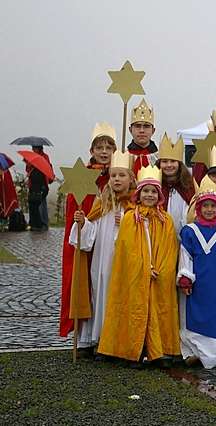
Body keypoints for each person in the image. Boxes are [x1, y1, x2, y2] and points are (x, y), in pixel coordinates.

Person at [98, 165, 180, 367]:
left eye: (154, 192)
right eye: (146, 191)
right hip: (138, 273)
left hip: (158, 273)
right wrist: (144, 269)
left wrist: (159, 269)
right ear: (139, 193)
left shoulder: (165, 219)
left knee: (157, 309)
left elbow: (170, 249)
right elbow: (127, 250)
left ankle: (159, 350)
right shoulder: (130, 218)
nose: (150, 195)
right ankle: (133, 350)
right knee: (135, 309)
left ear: (159, 195)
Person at [68, 149, 135, 354]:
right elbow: (90, 237)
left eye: (121, 175)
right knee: (100, 293)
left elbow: (142, 234)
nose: (116, 179)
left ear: (131, 179)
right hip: (101, 260)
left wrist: (125, 221)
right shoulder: (102, 203)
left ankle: (117, 341)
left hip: (122, 260)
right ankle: (98, 338)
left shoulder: (135, 203)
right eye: (113, 175)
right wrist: (83, 223)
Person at [177, 176, 216, 368]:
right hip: (199, 285)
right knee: (194, 318)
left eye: (213, 206)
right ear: (198, 208)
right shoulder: (189, 231)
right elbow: (185, 256)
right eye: (205, 206)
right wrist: (185, 277)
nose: (209, 210)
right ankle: (195, 352)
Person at [59, 122, 116, 338]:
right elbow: (75, 205)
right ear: (91, 151)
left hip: (110, 238)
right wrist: (79, 222)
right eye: (99, 148)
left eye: (108, 148)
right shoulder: (82, 177)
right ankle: (84, 337)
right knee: (85, 282)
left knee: (107, 282)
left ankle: (106, 334)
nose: (104, 152)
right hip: (88, 238)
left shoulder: (118, 175)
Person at [157, 133, 195, 237]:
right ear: (159, 163)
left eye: (173, 161)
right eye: (164, 161)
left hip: (183, 238)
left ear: (179, 163)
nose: (169, 165)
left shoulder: (188, 187)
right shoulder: (155, 187)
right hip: (160, 238)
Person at [128, 98, 158, 175]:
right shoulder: (123, 156)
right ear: (130, 130)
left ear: (153, 130)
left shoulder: (160, 157)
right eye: (138, 126)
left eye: (146, 126)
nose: (142, 130)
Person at [31, 146, 53, 229]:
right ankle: (35, 223)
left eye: (34, 148)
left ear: (39, 148)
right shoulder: (32, 157)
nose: (33, 149)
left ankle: (43, 223)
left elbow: (46, 169)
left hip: (42, 184)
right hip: (33, 185)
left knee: (41, 204)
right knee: (34, 204)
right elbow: (28, 169)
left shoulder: (44, 157)